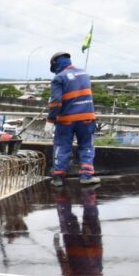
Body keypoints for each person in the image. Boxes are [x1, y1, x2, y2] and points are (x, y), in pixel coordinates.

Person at [47, 51, 99, 186]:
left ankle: (58, 177)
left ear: (56, 64)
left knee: (62, 146)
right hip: (87, 117)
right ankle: (86, 176)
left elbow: (56, 102)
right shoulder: (84, 74)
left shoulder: (59, 78)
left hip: (66, 120)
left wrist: (50, 120)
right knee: (87, 146)